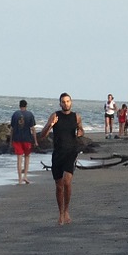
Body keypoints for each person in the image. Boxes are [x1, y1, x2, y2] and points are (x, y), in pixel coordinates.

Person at [39, 92, 84, 226]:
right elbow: (42, 135)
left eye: (68, 101)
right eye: (63, 102)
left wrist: (80, 132)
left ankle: (66, 211)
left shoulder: (76, 116)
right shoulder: (55, 115)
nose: (66, 104)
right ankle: (60, 213)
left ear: (71, 102)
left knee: (67, 181)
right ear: (60, 104)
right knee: (59, 186)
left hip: (71, 152)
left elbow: (81, 130)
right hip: (58, 153)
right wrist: (51, 125)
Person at [9, 99, 37, 185]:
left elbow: (12, 129)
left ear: (19, 105)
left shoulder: (15, 114)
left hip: (17, 138)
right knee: (27, 157)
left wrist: (11, 140)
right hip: (27, 139)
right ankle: (25, 176)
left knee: (19, 159)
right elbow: (32, 129)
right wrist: (35, 140)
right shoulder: (30, 114)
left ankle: (20, 179)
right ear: (26, 105)